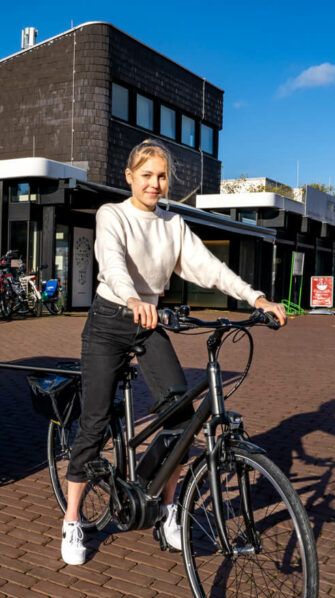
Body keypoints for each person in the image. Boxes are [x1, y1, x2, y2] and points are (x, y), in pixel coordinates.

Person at [61, 139, 287, 565]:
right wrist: (131, 299)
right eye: (146, 175)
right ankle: (73, 520)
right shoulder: (113, 214)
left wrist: (256, 298)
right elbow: (110, 261)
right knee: (93, 422)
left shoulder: (173, 224)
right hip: (112, 318)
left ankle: (168, 511)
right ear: (129, 177)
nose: (154, 184)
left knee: (181, 420)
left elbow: (210, 268)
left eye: (161, 176)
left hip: (150, 323)